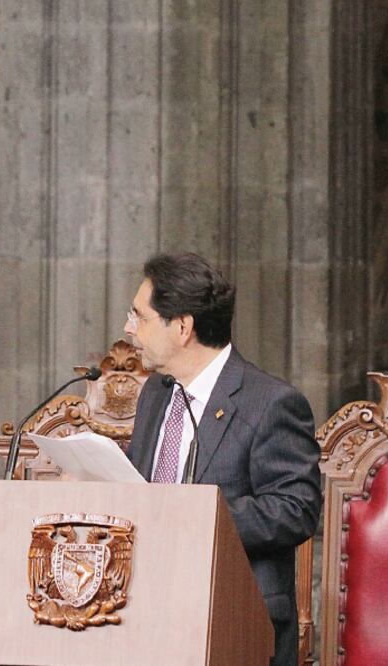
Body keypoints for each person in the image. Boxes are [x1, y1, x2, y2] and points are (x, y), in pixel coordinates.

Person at [123, 252, 322, 666]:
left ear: (182, 327)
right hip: (145, 611)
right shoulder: (157, 392)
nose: (129, 329)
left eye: (139, 317)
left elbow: (295, 509)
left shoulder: (271, 402)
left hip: (236, 614)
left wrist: (196, 518)